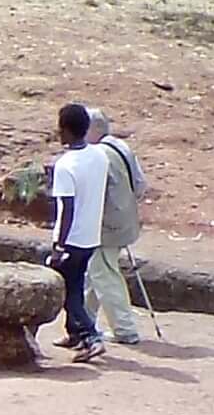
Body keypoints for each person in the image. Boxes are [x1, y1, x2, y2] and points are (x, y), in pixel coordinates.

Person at [47, 103, 115, 363]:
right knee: (73, 284)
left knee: (69, 291)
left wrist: (58, 245)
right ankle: (74, 333)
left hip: (72, 239)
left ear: (65, 130)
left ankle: (90, 336)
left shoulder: (66, 166)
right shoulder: (99, 156)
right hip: (91, 236)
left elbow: (66, 210)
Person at [89, 112, 147, 345]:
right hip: (125, 220)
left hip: (106, 226)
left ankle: (125, 330)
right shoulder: (120, 146)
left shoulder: (97, 155)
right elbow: (141, 186)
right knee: (93, 274)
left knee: (104, 275)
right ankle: (83, 325)